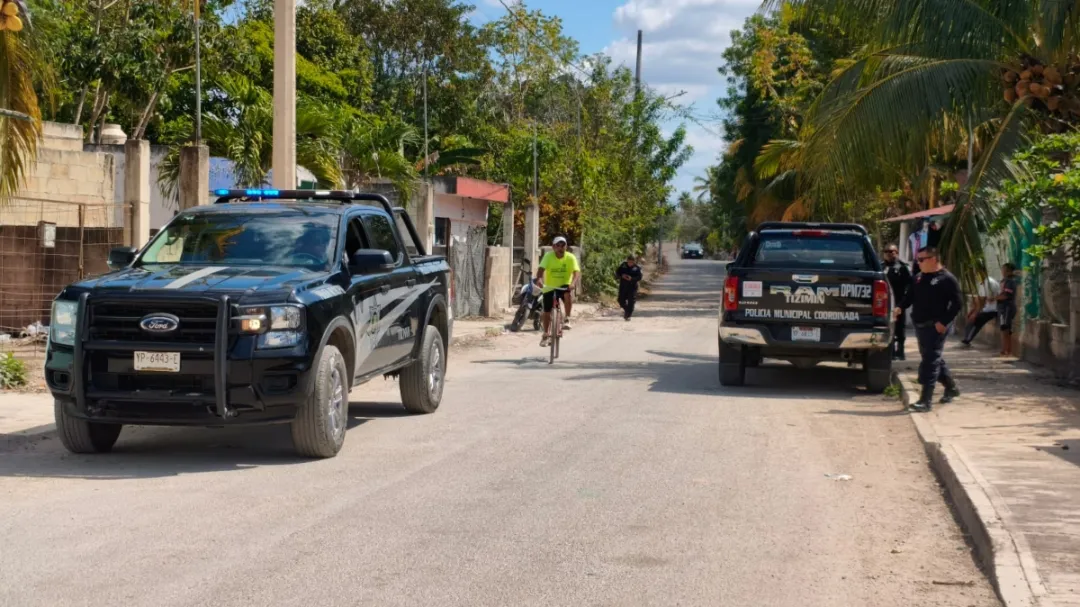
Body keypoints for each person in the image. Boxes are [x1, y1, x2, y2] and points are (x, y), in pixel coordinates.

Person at [895, 246, 963, 412]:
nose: (918, 263)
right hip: (920, 325)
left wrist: (943, 322)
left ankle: (926, 401)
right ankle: (951, 387)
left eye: (921, 260)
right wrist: (900, 307)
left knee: (930, 362)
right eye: (918, 260)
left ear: (933, 259)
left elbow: (957, 303)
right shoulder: (919, 278)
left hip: (936, 326)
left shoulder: (947, 279)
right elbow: (910, 296)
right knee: (932, 358)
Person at [536, 236, 581, 347]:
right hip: (549, 287)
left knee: (567, 294)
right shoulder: (548, 256)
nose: (561, 248)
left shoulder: (570, 257)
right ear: (553, 247)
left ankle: (567, 318)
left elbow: (576, 272)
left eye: (563, 245)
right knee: (546, 312)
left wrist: (573, 283)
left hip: (564, 285)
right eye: (558, 245)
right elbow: (541, 269)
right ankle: (545, 334)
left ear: (566, 246)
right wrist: (539, 279)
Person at [882, 244, 912, 360]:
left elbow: (910, 285)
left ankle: (900, 351)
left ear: (897, 252)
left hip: (898, 303)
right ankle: (890, 351)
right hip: (884, 303)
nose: (889, 254)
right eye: (886, 251)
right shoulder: (880, 267)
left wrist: (904, 302)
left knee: (899, 327)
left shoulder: (903, 267)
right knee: (887, 327)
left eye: (892, 251)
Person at [961, 270, 1001, 346]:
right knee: (971, 318)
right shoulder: (983, 283)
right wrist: (972, 311)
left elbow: (982, 301)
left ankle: (967, 340)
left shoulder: (988, 283)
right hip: (986, 309)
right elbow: (978, 299)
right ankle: (966, 338)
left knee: (976, 320)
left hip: (992, 310)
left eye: (977, 274)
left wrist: (975, 314)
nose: (976, 276)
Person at [996, 262, 1019, 357]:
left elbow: (1006, 295)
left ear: (1009, 271)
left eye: (1004, 269)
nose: (1002, 271)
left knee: (1006, 329)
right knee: (1003, 329)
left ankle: (1008, 350)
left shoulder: (1010, 282)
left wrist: (994, 298)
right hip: (1002, 308)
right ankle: (1004, 349)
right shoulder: (1003, 281)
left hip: (1007, 308)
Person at [615, 254, 643, 321]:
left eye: (632, 262)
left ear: (634, 262)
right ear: (627, 261)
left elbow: (639, 277)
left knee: (631, 302)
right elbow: (617, 273)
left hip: (632, 287)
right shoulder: (623, 265)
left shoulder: (637, 268)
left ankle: (628, 315)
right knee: (620, 300)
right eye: (629, 262)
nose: (630, 263)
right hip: (623, 286)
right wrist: (621, 275)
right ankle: (627, 311)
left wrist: (632, 278)